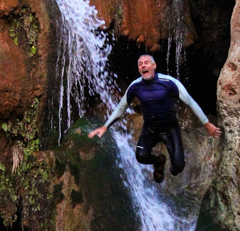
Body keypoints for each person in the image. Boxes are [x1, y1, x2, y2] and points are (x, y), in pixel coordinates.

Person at [88, 54, 222, 183]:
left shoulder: (169, 82)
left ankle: (173, 165)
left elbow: (190, 102)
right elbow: (120, 108)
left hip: (170, 129)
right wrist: (105, 126)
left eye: (146, 63)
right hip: (150, 129)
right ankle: (158, 161)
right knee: (141, 156)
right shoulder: (135, 86)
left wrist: (207, 123)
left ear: (154, 65)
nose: (143, 66)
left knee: (178, 167)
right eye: (140, 64)